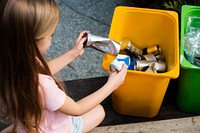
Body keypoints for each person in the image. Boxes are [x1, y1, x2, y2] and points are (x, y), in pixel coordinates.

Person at [0, 0, 127, 133]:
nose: (51, 38)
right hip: (54, 128)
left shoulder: (11, 62)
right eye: (50, 35)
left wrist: (73, 53)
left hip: (29, 121)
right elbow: (77, 109)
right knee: (99, 111)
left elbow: (43, 70)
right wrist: (112, 85)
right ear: (33, 42)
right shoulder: (43, 86)